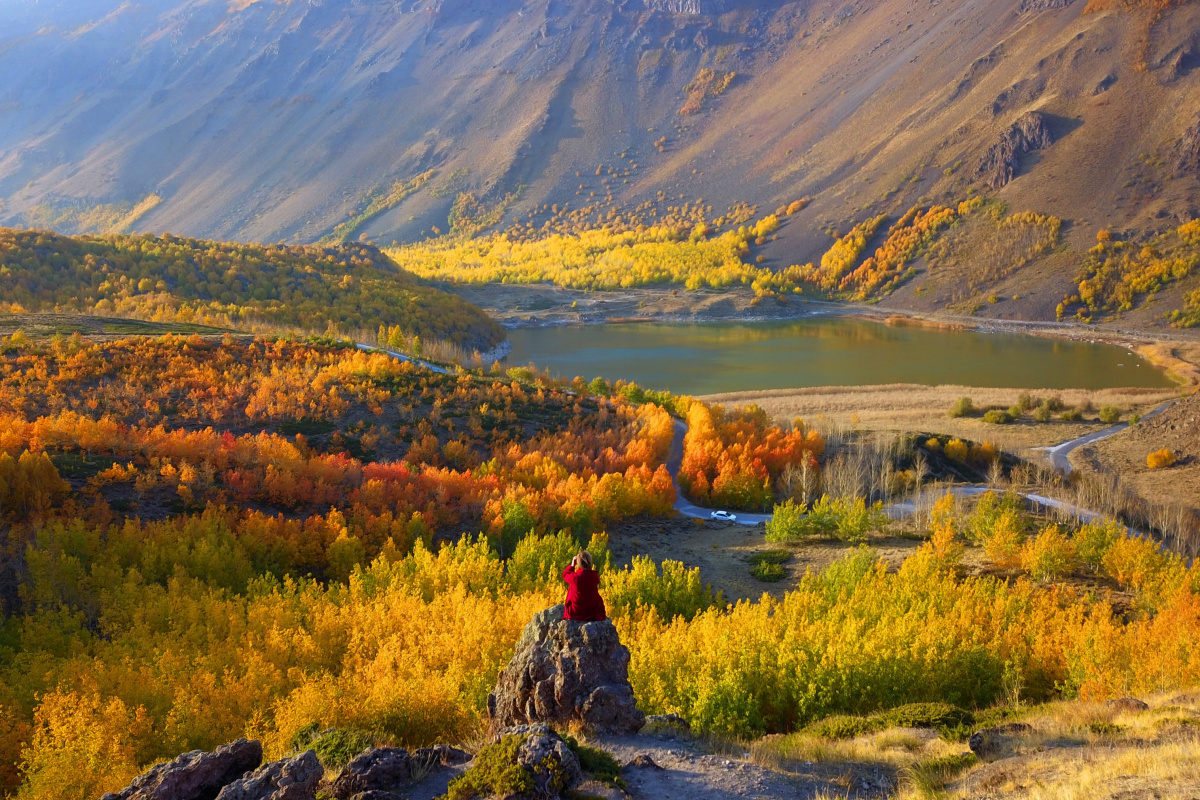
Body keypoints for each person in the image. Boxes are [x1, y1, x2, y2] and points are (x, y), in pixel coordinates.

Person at [562, 550, 606, 621]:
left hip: (576, 611)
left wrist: (572, 565)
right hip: (592, 610)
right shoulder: (595, 576)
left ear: (578, 563)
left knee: (572, 587)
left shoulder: (575, 577)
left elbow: (565, 574)